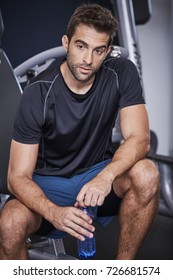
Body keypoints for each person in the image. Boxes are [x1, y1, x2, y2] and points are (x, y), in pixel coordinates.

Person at [0, 3, 159, 260]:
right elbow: (16, 177)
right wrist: (53, 212)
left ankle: (123, 272)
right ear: (66, 43)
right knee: (9, 223)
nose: (88, 60)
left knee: (147, 173)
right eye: (81, 46)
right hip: (49, 183)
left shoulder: (121, 72)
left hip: (97, 174)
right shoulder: (38, 92)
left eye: (98, 50)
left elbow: (140, 139)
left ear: (107, 51)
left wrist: (105, 177)